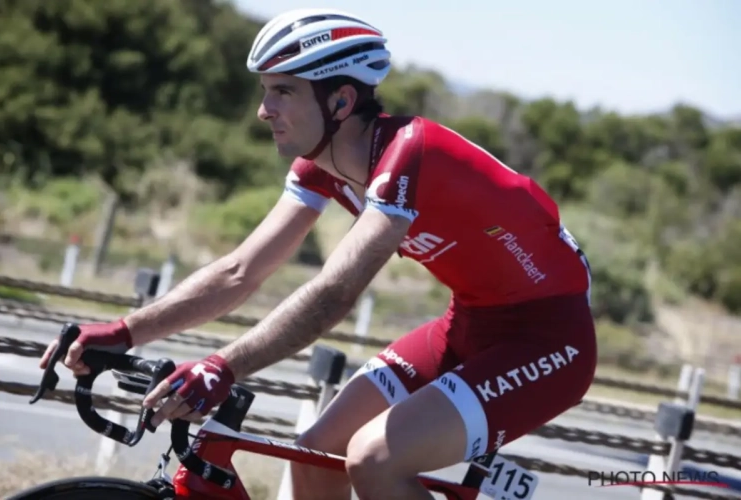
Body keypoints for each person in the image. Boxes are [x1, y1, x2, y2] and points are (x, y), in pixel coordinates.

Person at [39, 8, 597, 500]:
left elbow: (335, 291)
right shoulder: (320, 166)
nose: (264, 110)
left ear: (341, 100)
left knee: (374, 459)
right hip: (466, 325)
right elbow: (240, 270)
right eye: (265, 90)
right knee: (315, 454)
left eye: (283, 91)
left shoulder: (408, 154)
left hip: (549, 343)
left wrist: (222, 367)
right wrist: (125, 331)